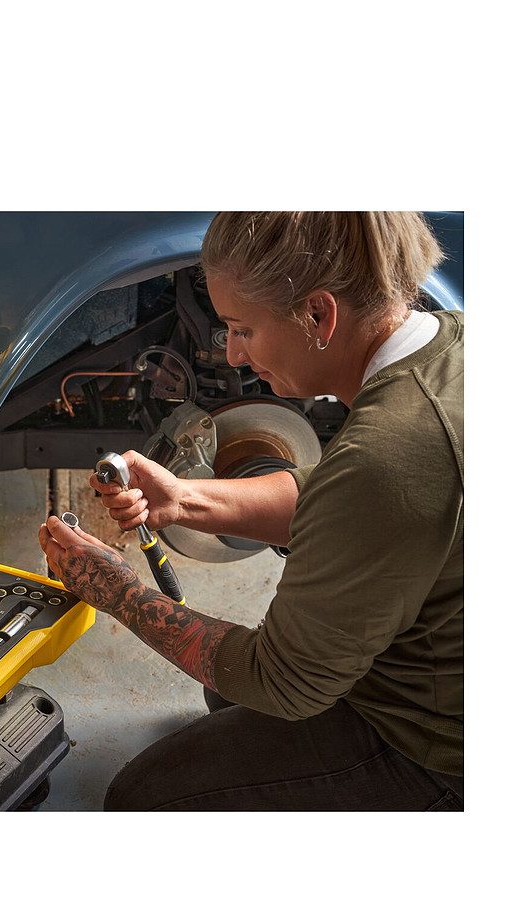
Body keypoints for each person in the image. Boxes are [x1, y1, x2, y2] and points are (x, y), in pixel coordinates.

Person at [38, 212, 463, 811]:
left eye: (243, 330)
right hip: (432, 661)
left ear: (318, 315)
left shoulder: (389, 454)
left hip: (440, 748)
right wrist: (185, 498)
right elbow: (349, 500)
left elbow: (283, 683)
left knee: (143, 800)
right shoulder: (452, 344)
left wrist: (120, 593)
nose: (234, 354)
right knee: (225, 693)